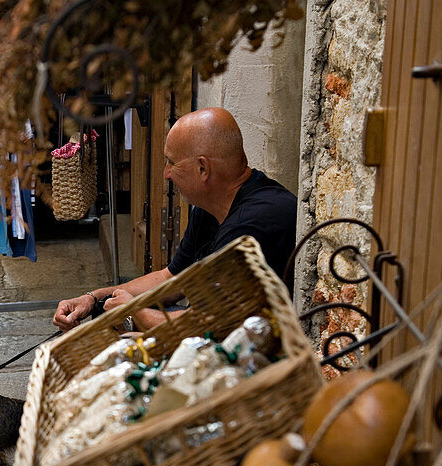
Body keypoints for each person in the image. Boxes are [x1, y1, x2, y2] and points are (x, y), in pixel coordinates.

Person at [53, 108, 297, 332]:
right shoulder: (211, 206)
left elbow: (208, 326)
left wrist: (134, 312)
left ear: (203, 169)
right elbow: (171, 279)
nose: (166, 174)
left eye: (171, 162)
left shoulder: (254, 224)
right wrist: (93, 298)